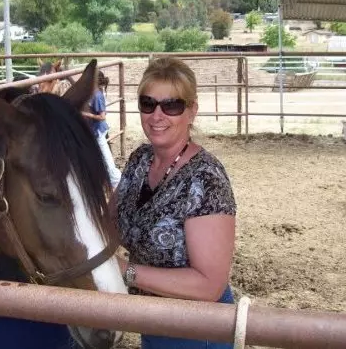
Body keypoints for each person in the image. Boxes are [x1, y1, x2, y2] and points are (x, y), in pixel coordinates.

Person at [111, 57, 236, 349]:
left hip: (196, 330)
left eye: (172, 105)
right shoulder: (139, 160)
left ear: (192, 111)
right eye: (148, 103)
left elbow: (209, 285)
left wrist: (125, 271)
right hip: (152, 320)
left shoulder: (207, 179)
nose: (157, 115)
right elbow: (110, 224)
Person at [83, 70, 121, 189]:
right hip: (95, 129)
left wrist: (85, 114)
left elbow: (102, 116)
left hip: (98, 130)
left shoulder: (97, 96)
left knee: (105, 154)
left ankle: (115, 179)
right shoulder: (93, 93)